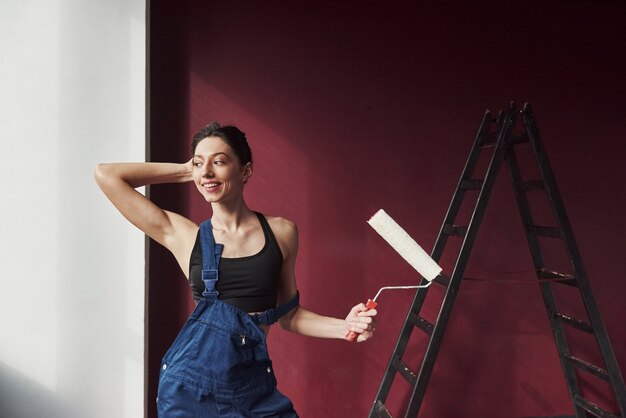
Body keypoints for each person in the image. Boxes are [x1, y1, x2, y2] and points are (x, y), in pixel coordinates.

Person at [94, 122, 377, 417]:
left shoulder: (281, 233)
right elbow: (107, 175)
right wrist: (185, 169)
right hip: (191, 393)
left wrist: (345, 327)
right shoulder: (185, 237)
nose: (206, 172)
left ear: (245, 171)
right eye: (199, 163)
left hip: (252, 388)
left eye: (219, 161)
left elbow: (289, 316)